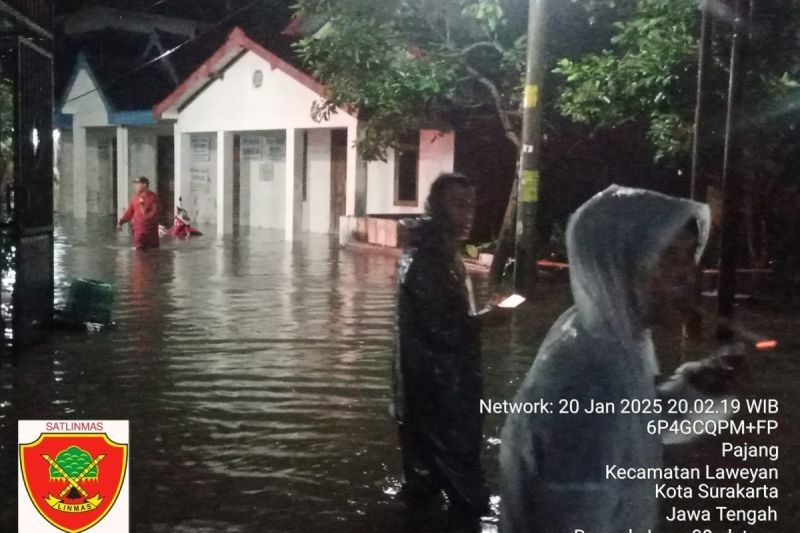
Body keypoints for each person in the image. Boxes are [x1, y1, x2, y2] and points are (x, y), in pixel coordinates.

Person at [499, 185, 744, 532]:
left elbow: (632, 424)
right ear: (619, 261)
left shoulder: (605, 333)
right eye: (669, 255)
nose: (689, 273)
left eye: (690, 253)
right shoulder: (592, 376)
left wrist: (693, 387)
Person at [393, 172, 510, 521]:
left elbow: (445, 320)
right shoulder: (427, 262)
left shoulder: (438, 255)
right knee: (467, 497)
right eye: (459, 204)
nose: (469, 213)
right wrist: (488, 318)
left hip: (428, 391)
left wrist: (480, 316)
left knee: (423, 490)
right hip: (439, 394)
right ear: (436, 207)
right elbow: (444, 330)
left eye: (471, 204)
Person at [117, 176, 161, 249]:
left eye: (137, 184)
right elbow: (129, 213)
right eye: (135, 184)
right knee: (139, 254)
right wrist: (121, 222)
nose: (135, 186)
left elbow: (155, 213)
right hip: (139, 232)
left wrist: (145, 217)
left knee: (154, 254)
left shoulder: (153, 198)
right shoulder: (134, 198)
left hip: (152, 233)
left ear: (144, 185)